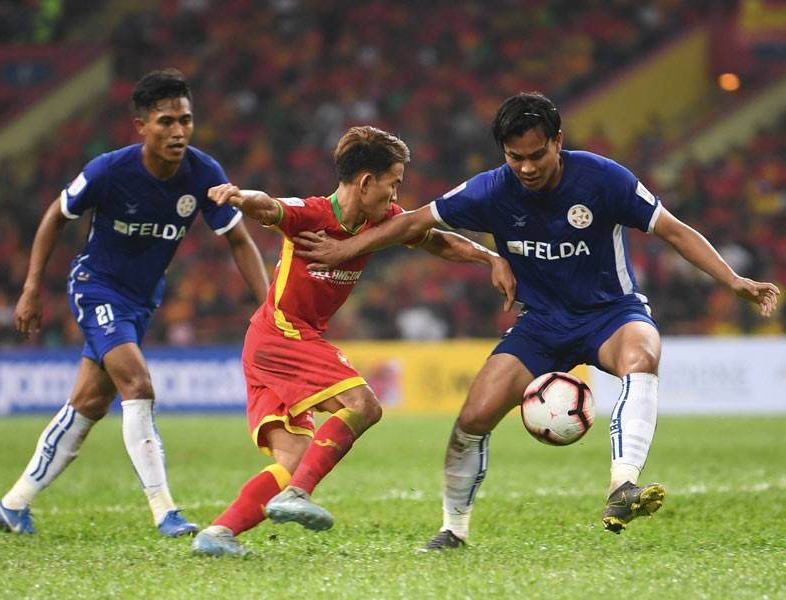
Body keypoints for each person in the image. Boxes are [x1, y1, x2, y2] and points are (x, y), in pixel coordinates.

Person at [293, 92, 781, 549]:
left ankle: (622, 484)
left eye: (536, 155)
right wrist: (347, 247)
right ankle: (453, 530)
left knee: (643, 355)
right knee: (474, 416)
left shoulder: (604, 179)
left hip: (610, 313)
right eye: (514, 157)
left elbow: (673, 231)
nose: (525, 168)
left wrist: (733, 280)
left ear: (558, 142)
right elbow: (415, 221)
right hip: (541, 324)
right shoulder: (490, 190)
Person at [190, 125, 515, 557]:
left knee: (292, 460)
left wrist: (489, 256)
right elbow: (269, 206)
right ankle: (298, 494)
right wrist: (239, 196)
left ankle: (217, 534)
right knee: (365, 405)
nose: (396, 192)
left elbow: (438, 242)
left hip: (268, 344)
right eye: (393, 182)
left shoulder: (381, 220)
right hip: (282, 335)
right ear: (366, 182)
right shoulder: (312, 214)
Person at [0, 68, 269, 537]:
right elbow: (55, 217)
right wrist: (31, 287)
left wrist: (270, 309)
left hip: (141, 300)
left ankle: (12, 506)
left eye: (185, 119)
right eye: (165, 121)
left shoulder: (203, 173)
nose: (178, 131)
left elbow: (239, 240)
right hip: (96, 287)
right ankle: (165, 512)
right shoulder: (108, 170)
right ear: (141, 125)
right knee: (137, 385)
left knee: (89, 403)